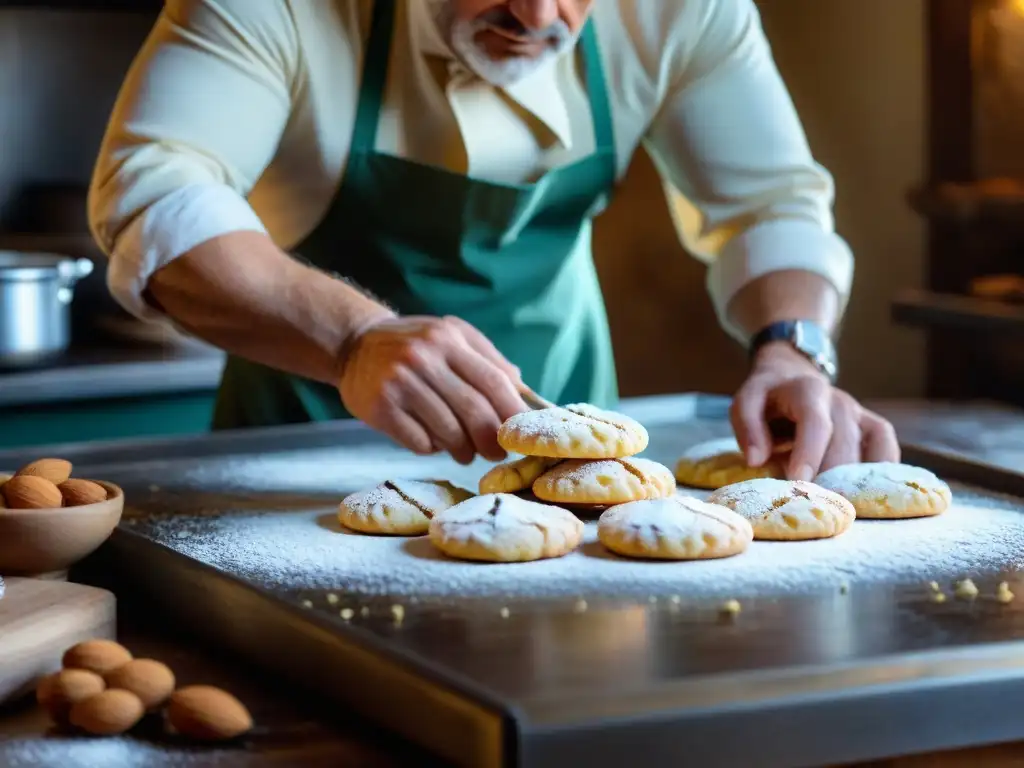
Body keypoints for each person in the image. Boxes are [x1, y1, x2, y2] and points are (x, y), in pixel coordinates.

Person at [88, 0, 900, 479]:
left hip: (570, 433)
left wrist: (793, 350)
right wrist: (353, 339)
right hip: (298, 450)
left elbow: (772, 202)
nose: (538, 17)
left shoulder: (684, 11)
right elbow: (151, 190)